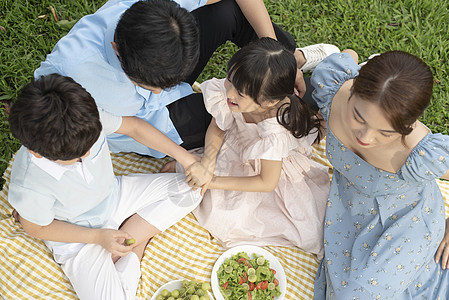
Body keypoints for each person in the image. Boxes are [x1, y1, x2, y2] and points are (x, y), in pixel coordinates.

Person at [34, 0, 338, 157]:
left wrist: (274, 50)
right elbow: (134, 127)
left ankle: (288, 59)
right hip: (151, 119)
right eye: (154, 84)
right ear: (116, 49)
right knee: (258, 116)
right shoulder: (72, 76)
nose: (184, 81)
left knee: (227, 12)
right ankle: (331, 82)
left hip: (156, 62)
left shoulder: (156, 10)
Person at [7, 74, 202, 300]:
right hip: (78, 239)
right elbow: (37, 229)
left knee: (193, 187)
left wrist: (186, 158)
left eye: (91, 145)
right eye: (77, 155)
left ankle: (130, 237)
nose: (89, 153)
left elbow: (135, 127)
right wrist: (98, 237)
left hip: (115, 196)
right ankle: (137, 242)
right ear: (36, 152)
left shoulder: (83, 118)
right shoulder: (30, 182)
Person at [311, 50, 449, 299]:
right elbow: (347, 55)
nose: (365, 137)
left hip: (407, 224)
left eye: (385, 133)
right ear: (352, 90)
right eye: (358, 117)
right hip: (349, 210)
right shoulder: (332, 85)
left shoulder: (419, 152)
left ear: (408, 126)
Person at [180, 38, 331, 259]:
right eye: (230, 80)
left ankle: (343, 67)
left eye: (240, 93)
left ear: (269, 102)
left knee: (226, 219)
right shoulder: (242, 86)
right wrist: (207, 164)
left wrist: (212, 181)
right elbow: (219, 126)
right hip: (244, 148)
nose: (230, 93)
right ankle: (312, 63)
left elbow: (266, 182)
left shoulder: (274, 133)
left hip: (271, 168)